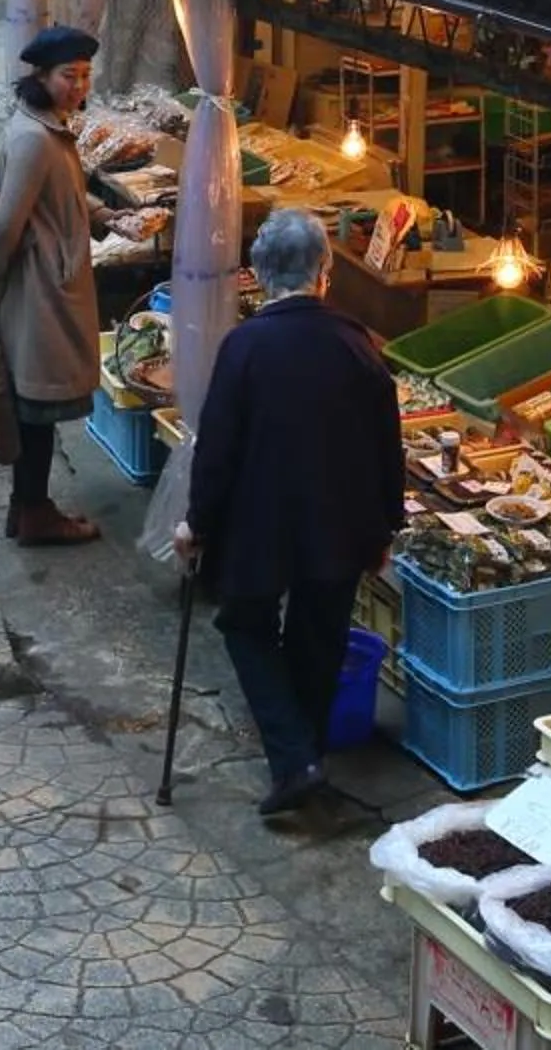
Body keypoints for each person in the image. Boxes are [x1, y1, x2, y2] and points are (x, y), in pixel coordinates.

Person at [175, 208, 405, 820]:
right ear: (324, 272)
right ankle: (303, 757)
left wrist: (197, 524)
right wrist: (387, 523)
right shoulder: (357, 344)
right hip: (341, 522)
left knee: (246, 624)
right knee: (318, 635)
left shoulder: (245, 346)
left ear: (258, 273)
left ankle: (296, 760)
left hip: (261, 525)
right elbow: (389, 441)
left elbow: (216, 448)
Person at [0, 24, 106, 546]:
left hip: (46, 281)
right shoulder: (35, 136)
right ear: (41, 75)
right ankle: (34, 513)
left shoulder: (46, 124)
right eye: (67, 76)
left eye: (83, 75)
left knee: (35, 405)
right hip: (40, 289)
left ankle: (27, 508)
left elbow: (61, 194)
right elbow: (8, 222)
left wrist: (107, 215)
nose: (78, 86)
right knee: (36, 408)